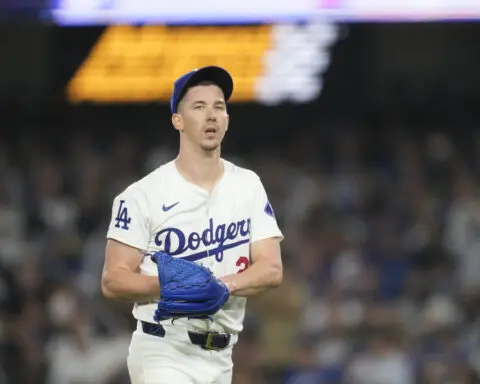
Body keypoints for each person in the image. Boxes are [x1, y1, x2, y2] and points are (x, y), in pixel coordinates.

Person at [101, 66, 284, 384]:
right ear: (178, 120)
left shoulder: (248, 185)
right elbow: (112, 280)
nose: (211, 115)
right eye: (199, 107)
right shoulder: (143, 194)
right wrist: (171, 287)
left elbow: (271, 269)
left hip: (222, 356)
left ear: (227, 120)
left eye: (219, 107)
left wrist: (223, 286)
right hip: (164, 348)